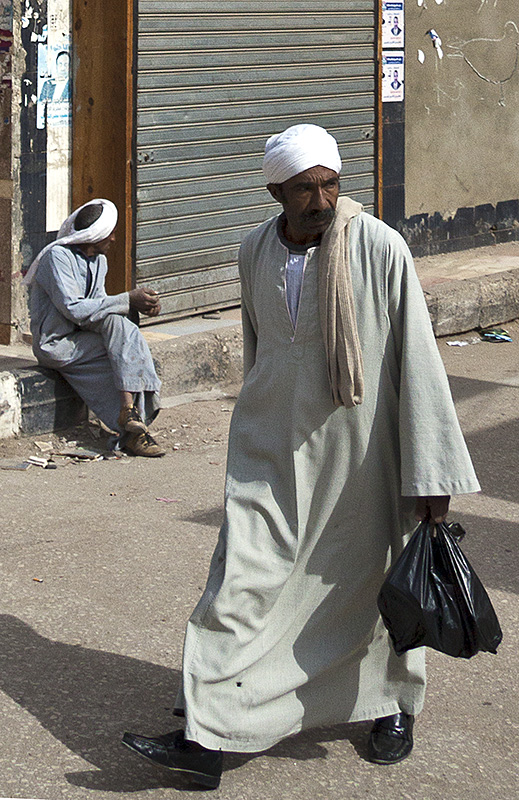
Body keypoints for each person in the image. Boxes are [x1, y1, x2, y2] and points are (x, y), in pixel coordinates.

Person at [122, 124, 480, 786]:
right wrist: (252, 434)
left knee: (373, 588)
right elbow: (262, 354)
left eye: (328, 184)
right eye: (302, 188)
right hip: (273, 454)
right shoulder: (254, 249)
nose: (319, 200)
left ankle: (390, 707)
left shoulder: (378, 247)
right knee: (236, 589)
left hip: (364, 457)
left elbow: (419, 362)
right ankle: (207, 739)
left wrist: (430, 471)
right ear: (274, 191)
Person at [26, 198, 165, 457]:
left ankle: (130, 415)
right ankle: (134, 432)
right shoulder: (57, 258)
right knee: (124, 350)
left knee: (123, 331)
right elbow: (75, 309)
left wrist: (136, 307)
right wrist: (127, 300)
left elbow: (99, 308)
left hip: (83, 337)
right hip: (57, 344)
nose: (113, 239)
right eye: (109, 234)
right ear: (95, 236)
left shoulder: (98, 261)